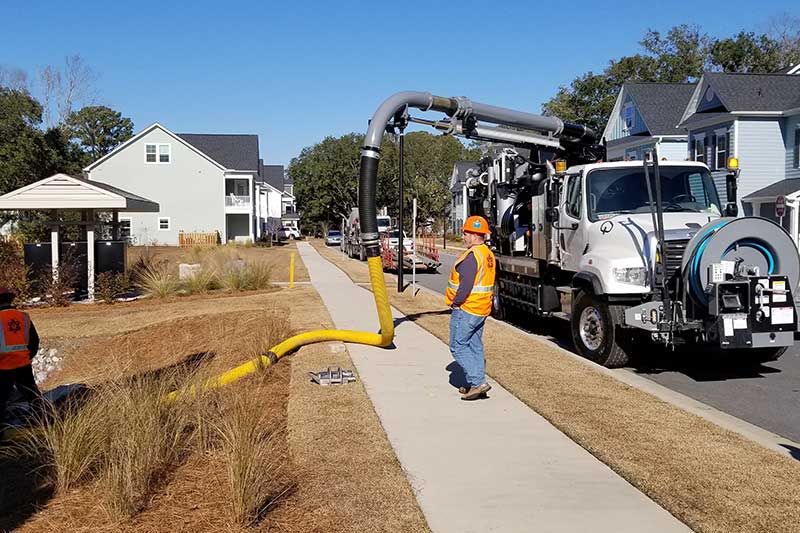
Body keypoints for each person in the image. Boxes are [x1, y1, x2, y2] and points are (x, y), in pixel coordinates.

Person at [445, 216, 496, 401]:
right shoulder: (487, 254)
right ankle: (476, 381)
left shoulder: (472, 256)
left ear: (474, 235)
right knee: (474, 345)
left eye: (465, 233)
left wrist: (456, 302)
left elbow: (465, 286)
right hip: (481, 308)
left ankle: (477, 382)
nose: (463, 236)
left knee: (457, 346)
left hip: (467, 308)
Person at [0, 287, 43, 427]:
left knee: (1, 400)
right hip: (23, 363)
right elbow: (34, 341)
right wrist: (26, 357)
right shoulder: (23, 316)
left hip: (3, 366)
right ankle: (43, 423)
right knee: (32, 395)